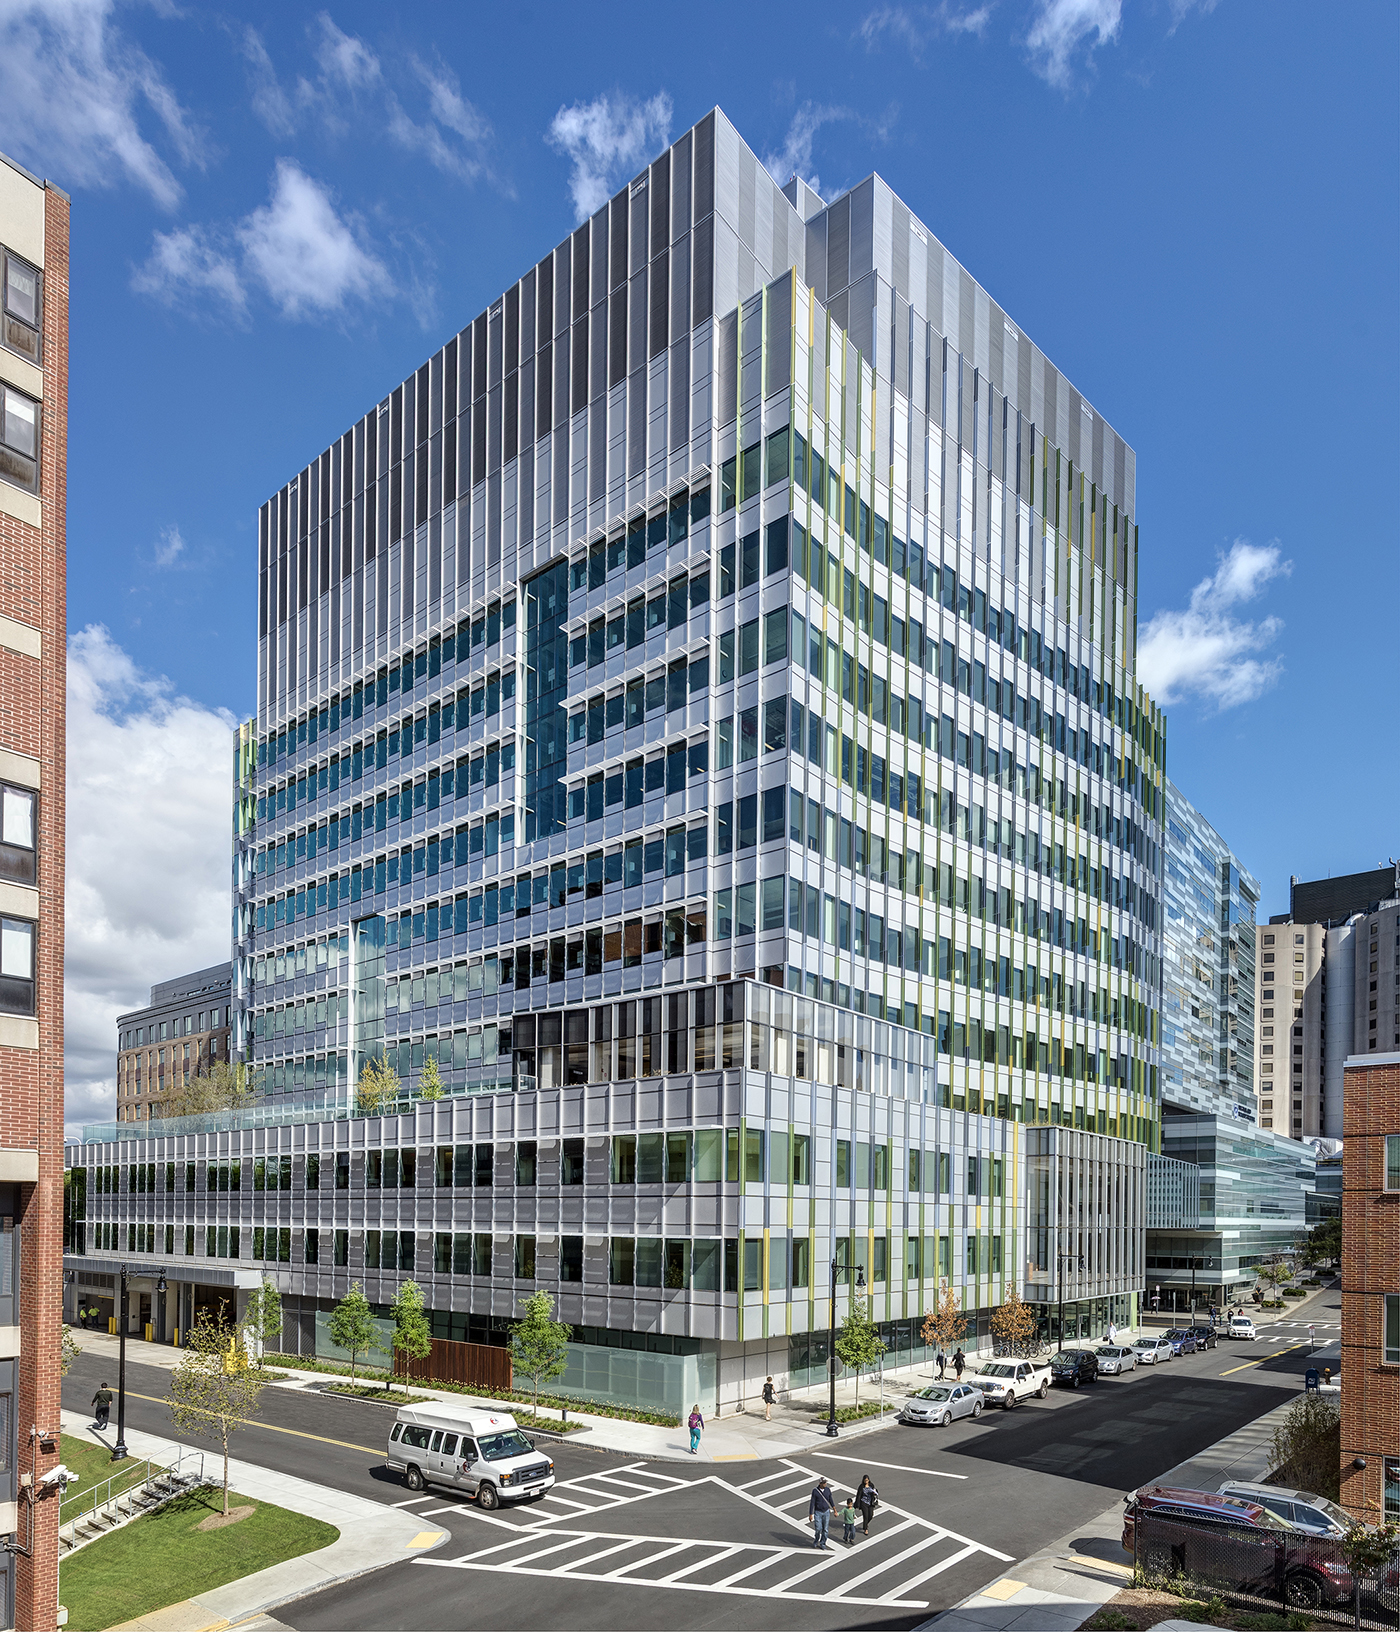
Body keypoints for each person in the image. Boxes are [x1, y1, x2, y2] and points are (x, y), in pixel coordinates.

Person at [808, 1477, 835, 1549]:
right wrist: (810, 1514)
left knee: (825, 1529)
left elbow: (830, 1500)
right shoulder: (815, 1491)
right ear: (820, 1483)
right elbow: (812, 1503)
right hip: (818, 1512)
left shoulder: (827, 1490)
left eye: (825, 1482)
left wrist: (834, 1509)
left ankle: (823, 1543)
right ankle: (816, 1540)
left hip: (826, 1511)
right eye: (824, 1483)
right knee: (818, 1529)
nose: (825, 1484)